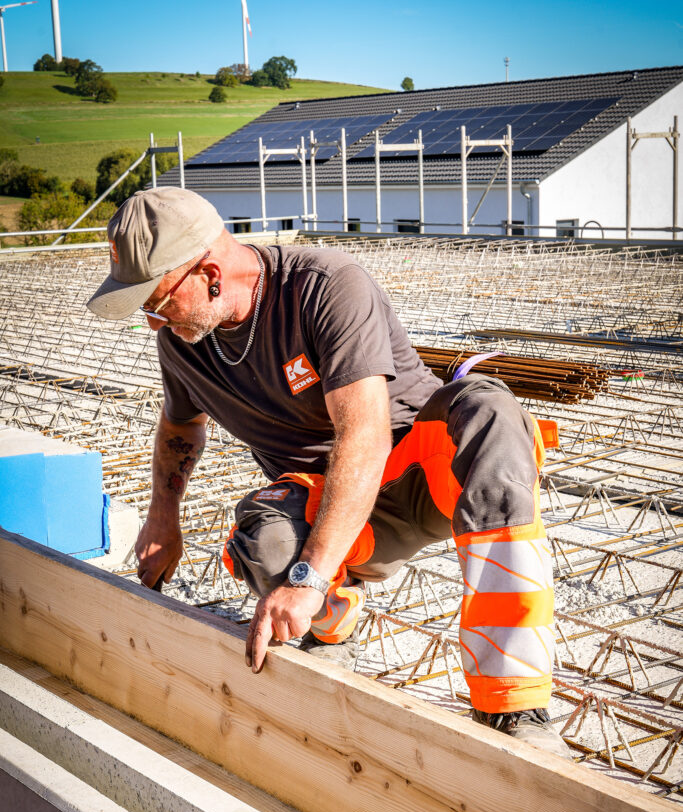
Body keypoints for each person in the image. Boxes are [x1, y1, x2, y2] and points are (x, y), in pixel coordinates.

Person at [88, 186, 570, 758]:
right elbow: (179, 426)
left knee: (488, 410)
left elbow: (364, 436)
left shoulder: (324, 287)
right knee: (263, 540)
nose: (152, 323)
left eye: (158, 302)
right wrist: (162, 519)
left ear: (210, 274)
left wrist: (307, 580)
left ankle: (512, 703)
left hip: (420, 472)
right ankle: (331, 626)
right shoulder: (183, 341)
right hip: (329, 503)